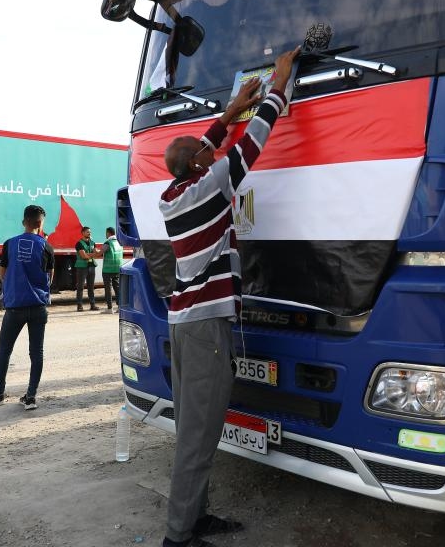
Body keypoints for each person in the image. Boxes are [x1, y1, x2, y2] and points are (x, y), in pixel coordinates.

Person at [158, 47, 299, 547]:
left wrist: (230, 109)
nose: (211, 152)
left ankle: (196, 518)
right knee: (198, 436)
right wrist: (279, 83)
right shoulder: (213, 184)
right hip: (204, 329)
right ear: (198, 165)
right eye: (205, 153)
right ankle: (179, 536)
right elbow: (254, 139)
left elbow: (201, 150)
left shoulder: (174, 195)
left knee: (192, 428)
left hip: (184, 324)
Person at [0, 205, 55, 411]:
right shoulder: (47, 246)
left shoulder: (9, 244)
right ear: (40, 224)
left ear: (24, 222)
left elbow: (3, 274)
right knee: (36, 352)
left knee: (4, 350)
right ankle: (30, 397)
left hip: (15, 308)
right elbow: (50, 278)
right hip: (38, 307)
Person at [74, 226, 98, 312]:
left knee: (91, 287)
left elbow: (96, 254)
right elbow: (83, 256)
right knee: (80, 287)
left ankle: (93, 305)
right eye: (88, 232)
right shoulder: (79, 244)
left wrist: (89, 254)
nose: (89, 233)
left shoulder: (93, 243)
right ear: (83, 233)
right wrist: (92, 254)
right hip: (82, 267)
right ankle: (79, 306)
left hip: (91, 266)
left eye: (90, 232)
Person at [100, 226, 123, 313]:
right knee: (117, 288)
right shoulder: (119, 242)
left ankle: (110, 308)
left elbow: (100, 253)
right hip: (117, 269)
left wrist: (93, 251)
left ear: (108, 233)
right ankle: (120, 307)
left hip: (107, 270)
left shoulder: (108, 243)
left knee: (108, 289)